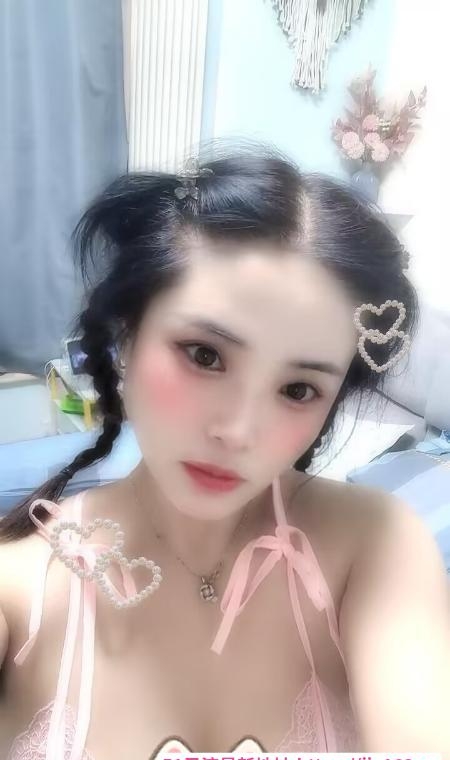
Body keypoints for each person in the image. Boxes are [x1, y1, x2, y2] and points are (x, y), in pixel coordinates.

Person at [0, 143, 449, 759]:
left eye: (298, 390)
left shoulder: (374, 544)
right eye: (205, 355)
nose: (239, 431)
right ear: (128, 334)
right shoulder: (19, 586)